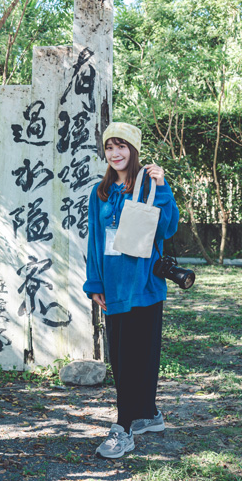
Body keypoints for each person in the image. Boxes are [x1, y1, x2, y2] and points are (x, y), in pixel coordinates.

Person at [83, 122, 180, 459]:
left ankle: (123, 428)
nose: (115, 154)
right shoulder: (101, 192)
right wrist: (94, 283)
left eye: (121, 146)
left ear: (134, 150)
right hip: (114, 285)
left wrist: (162, 185)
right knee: (123, 357)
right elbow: (95, 240)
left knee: (140, 356)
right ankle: (149, 415)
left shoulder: (150, 186)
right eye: (110, 147)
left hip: (144, 285)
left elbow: (168, 228)